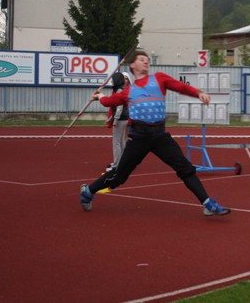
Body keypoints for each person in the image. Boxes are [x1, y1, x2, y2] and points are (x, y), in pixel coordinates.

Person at [79, 51, 230, 216]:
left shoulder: (159, 78)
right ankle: (88, 192)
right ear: (133, 65)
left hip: (160, 136)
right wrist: (100, 96)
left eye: (147, 60)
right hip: (138, 138)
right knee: (118, 177)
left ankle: (208, 204)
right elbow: (109, 101)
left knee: (186, 169)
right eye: (142, 60)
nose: (146, 62)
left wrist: (198, 93)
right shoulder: (128, 91)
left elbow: (180, 86)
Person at [105, 71, 130, 172]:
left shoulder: (119, 91)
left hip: (120, 119)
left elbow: (119, 107)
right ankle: (122, 162)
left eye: (113, 79)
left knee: (116, 142)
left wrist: (115, 119)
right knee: (121, 141)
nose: (111, 81)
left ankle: (116, 165)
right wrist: (111, 118)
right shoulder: (121, 90)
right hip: (124, 118)